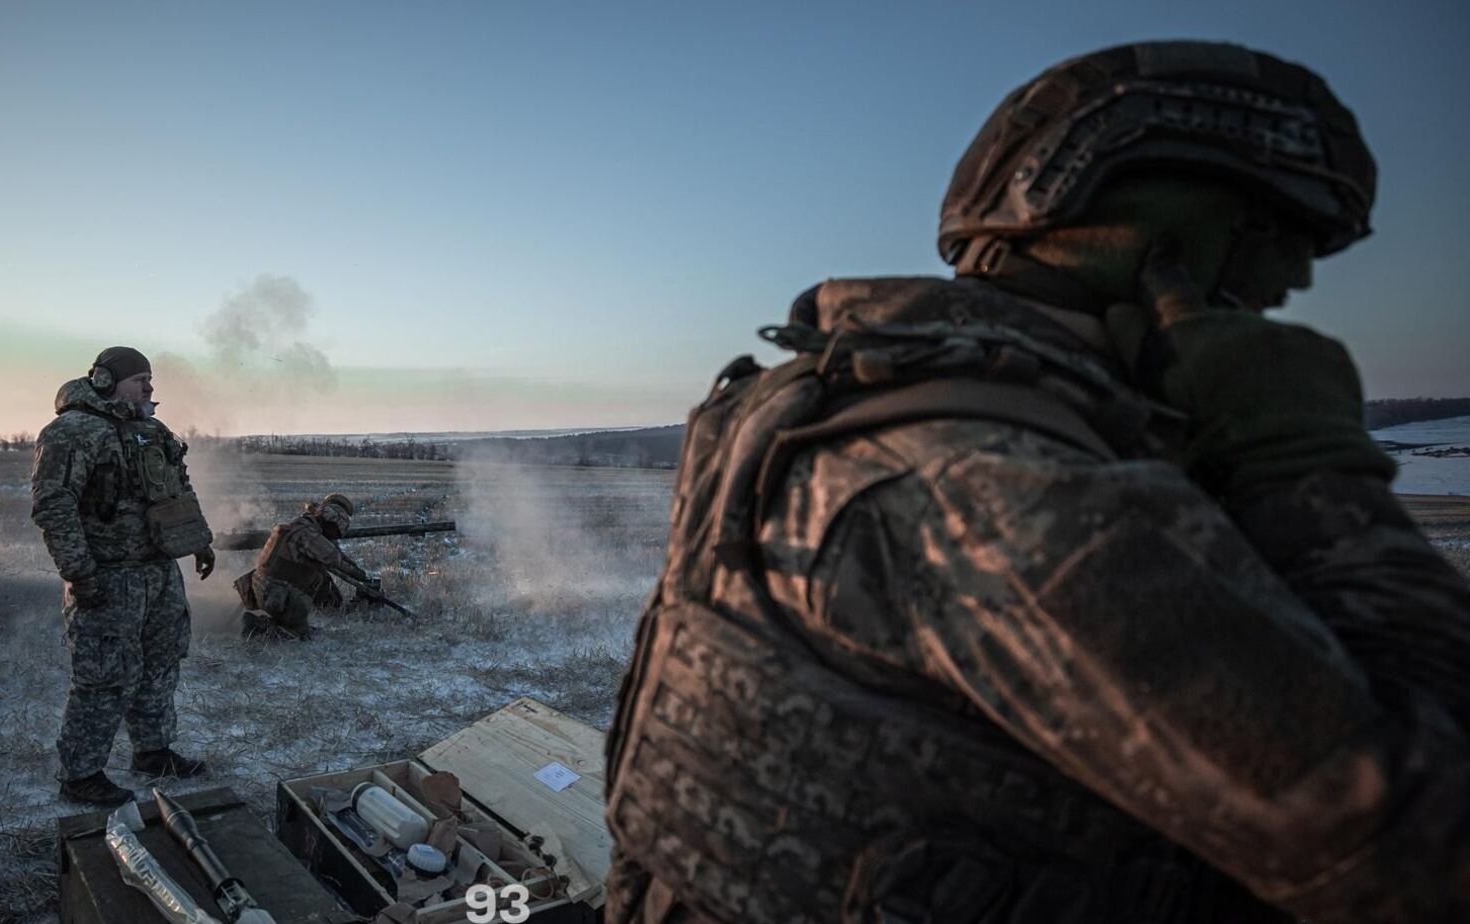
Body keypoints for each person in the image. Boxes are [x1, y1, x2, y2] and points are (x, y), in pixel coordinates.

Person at [603, 41, 1470, 923]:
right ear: (1168, 249)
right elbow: (1421, 853)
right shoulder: (1008, 484)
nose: (1291, 282)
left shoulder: (786, 404)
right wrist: (1310, 465)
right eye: (1273, 247)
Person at [31, 346, 219, 806]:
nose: (150, 388)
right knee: (104, 675)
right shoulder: (71, 432)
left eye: (151, 379)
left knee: (162, 662)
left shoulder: (153, 432)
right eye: (140, 379)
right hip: (108, 579)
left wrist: (197, 540)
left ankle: (153, 751)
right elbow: (54, 506)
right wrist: (81, 573)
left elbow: (178, 489)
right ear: (103, 380)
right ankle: (81, 774)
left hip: (158, 571)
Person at [234, 493, 379, 640]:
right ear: (330, 522)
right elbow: (337, 560)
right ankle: (258, 626)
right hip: (277, 594)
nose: (333, 536)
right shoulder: (309, 535)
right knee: (298, 636)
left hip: (262, 588)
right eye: (334, 531)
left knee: (319, 576)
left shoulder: (296, 526)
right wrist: (362, 576)